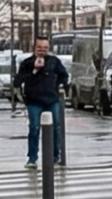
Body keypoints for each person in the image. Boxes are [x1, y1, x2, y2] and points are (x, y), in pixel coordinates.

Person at [14, 37, 70, 168]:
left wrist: (59, 85)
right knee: (34, 128)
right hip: (34, 101)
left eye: (45, 48)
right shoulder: (27, 63)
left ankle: (55, 155)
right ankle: (32, 158)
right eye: (39, 48)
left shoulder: (54, 62)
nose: (42, 51)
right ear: (34, 48)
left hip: (52, 100)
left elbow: (64, 76)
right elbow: (17, 81)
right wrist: (34, 70)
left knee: (56, 127)